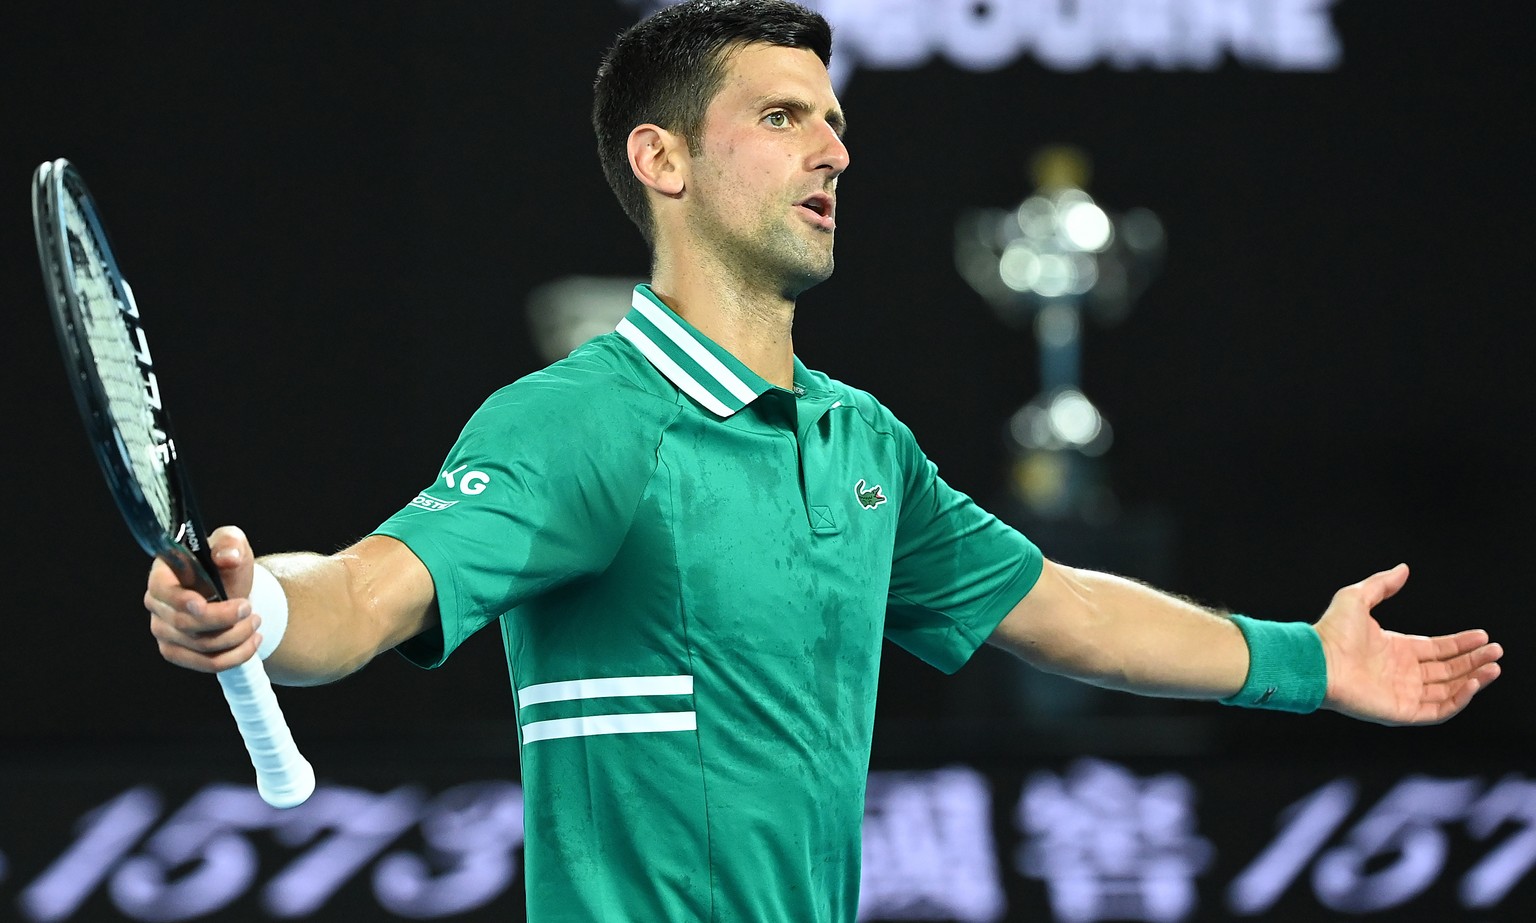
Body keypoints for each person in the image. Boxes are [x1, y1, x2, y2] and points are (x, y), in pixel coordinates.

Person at [143, 1, 1503, 921]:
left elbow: (1068, 611)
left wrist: (1307, 662)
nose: (837, 148)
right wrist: (261, 610)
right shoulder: (577, 424)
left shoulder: (866, 447)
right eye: (785, 116)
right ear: (662, 159)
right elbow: (371, 595)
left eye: (836, 119)